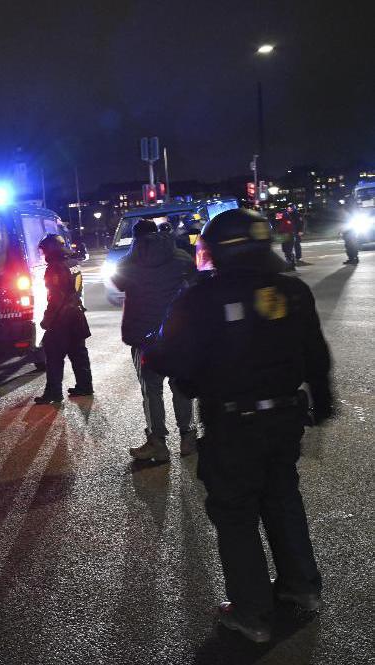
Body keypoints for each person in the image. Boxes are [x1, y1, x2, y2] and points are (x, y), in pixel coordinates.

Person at [145, 208, 332, 643]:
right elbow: (315, 355)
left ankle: (251, 612)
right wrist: (321, 403)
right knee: (282, 496)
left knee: (236, 511)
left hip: (234, 421)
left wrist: (154, 353)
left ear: (221, 251)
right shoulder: (292, 291)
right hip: (285, 417)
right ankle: (301, 588)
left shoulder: (202, 298)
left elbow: (170, 356)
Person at [110, 219, 198, 460]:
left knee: (151, 390)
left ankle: (158, 443)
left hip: (144, 336)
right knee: (181, 386)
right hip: (177, 334)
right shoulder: (179, 255)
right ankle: (188, 437)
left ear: (136, 237)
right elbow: (194, 281)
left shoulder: (129, 260)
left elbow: (117, 283)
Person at [34, 234, 93, 404]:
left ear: (51, 248)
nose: (43, 254)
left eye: (43, 250)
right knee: (79, 354)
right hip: (76, 315)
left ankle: (54, 393)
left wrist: (47, 320)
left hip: (62, 319)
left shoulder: (55, 267)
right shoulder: (73, 262)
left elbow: (55, 298)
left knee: (53, 356)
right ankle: (85, 386)